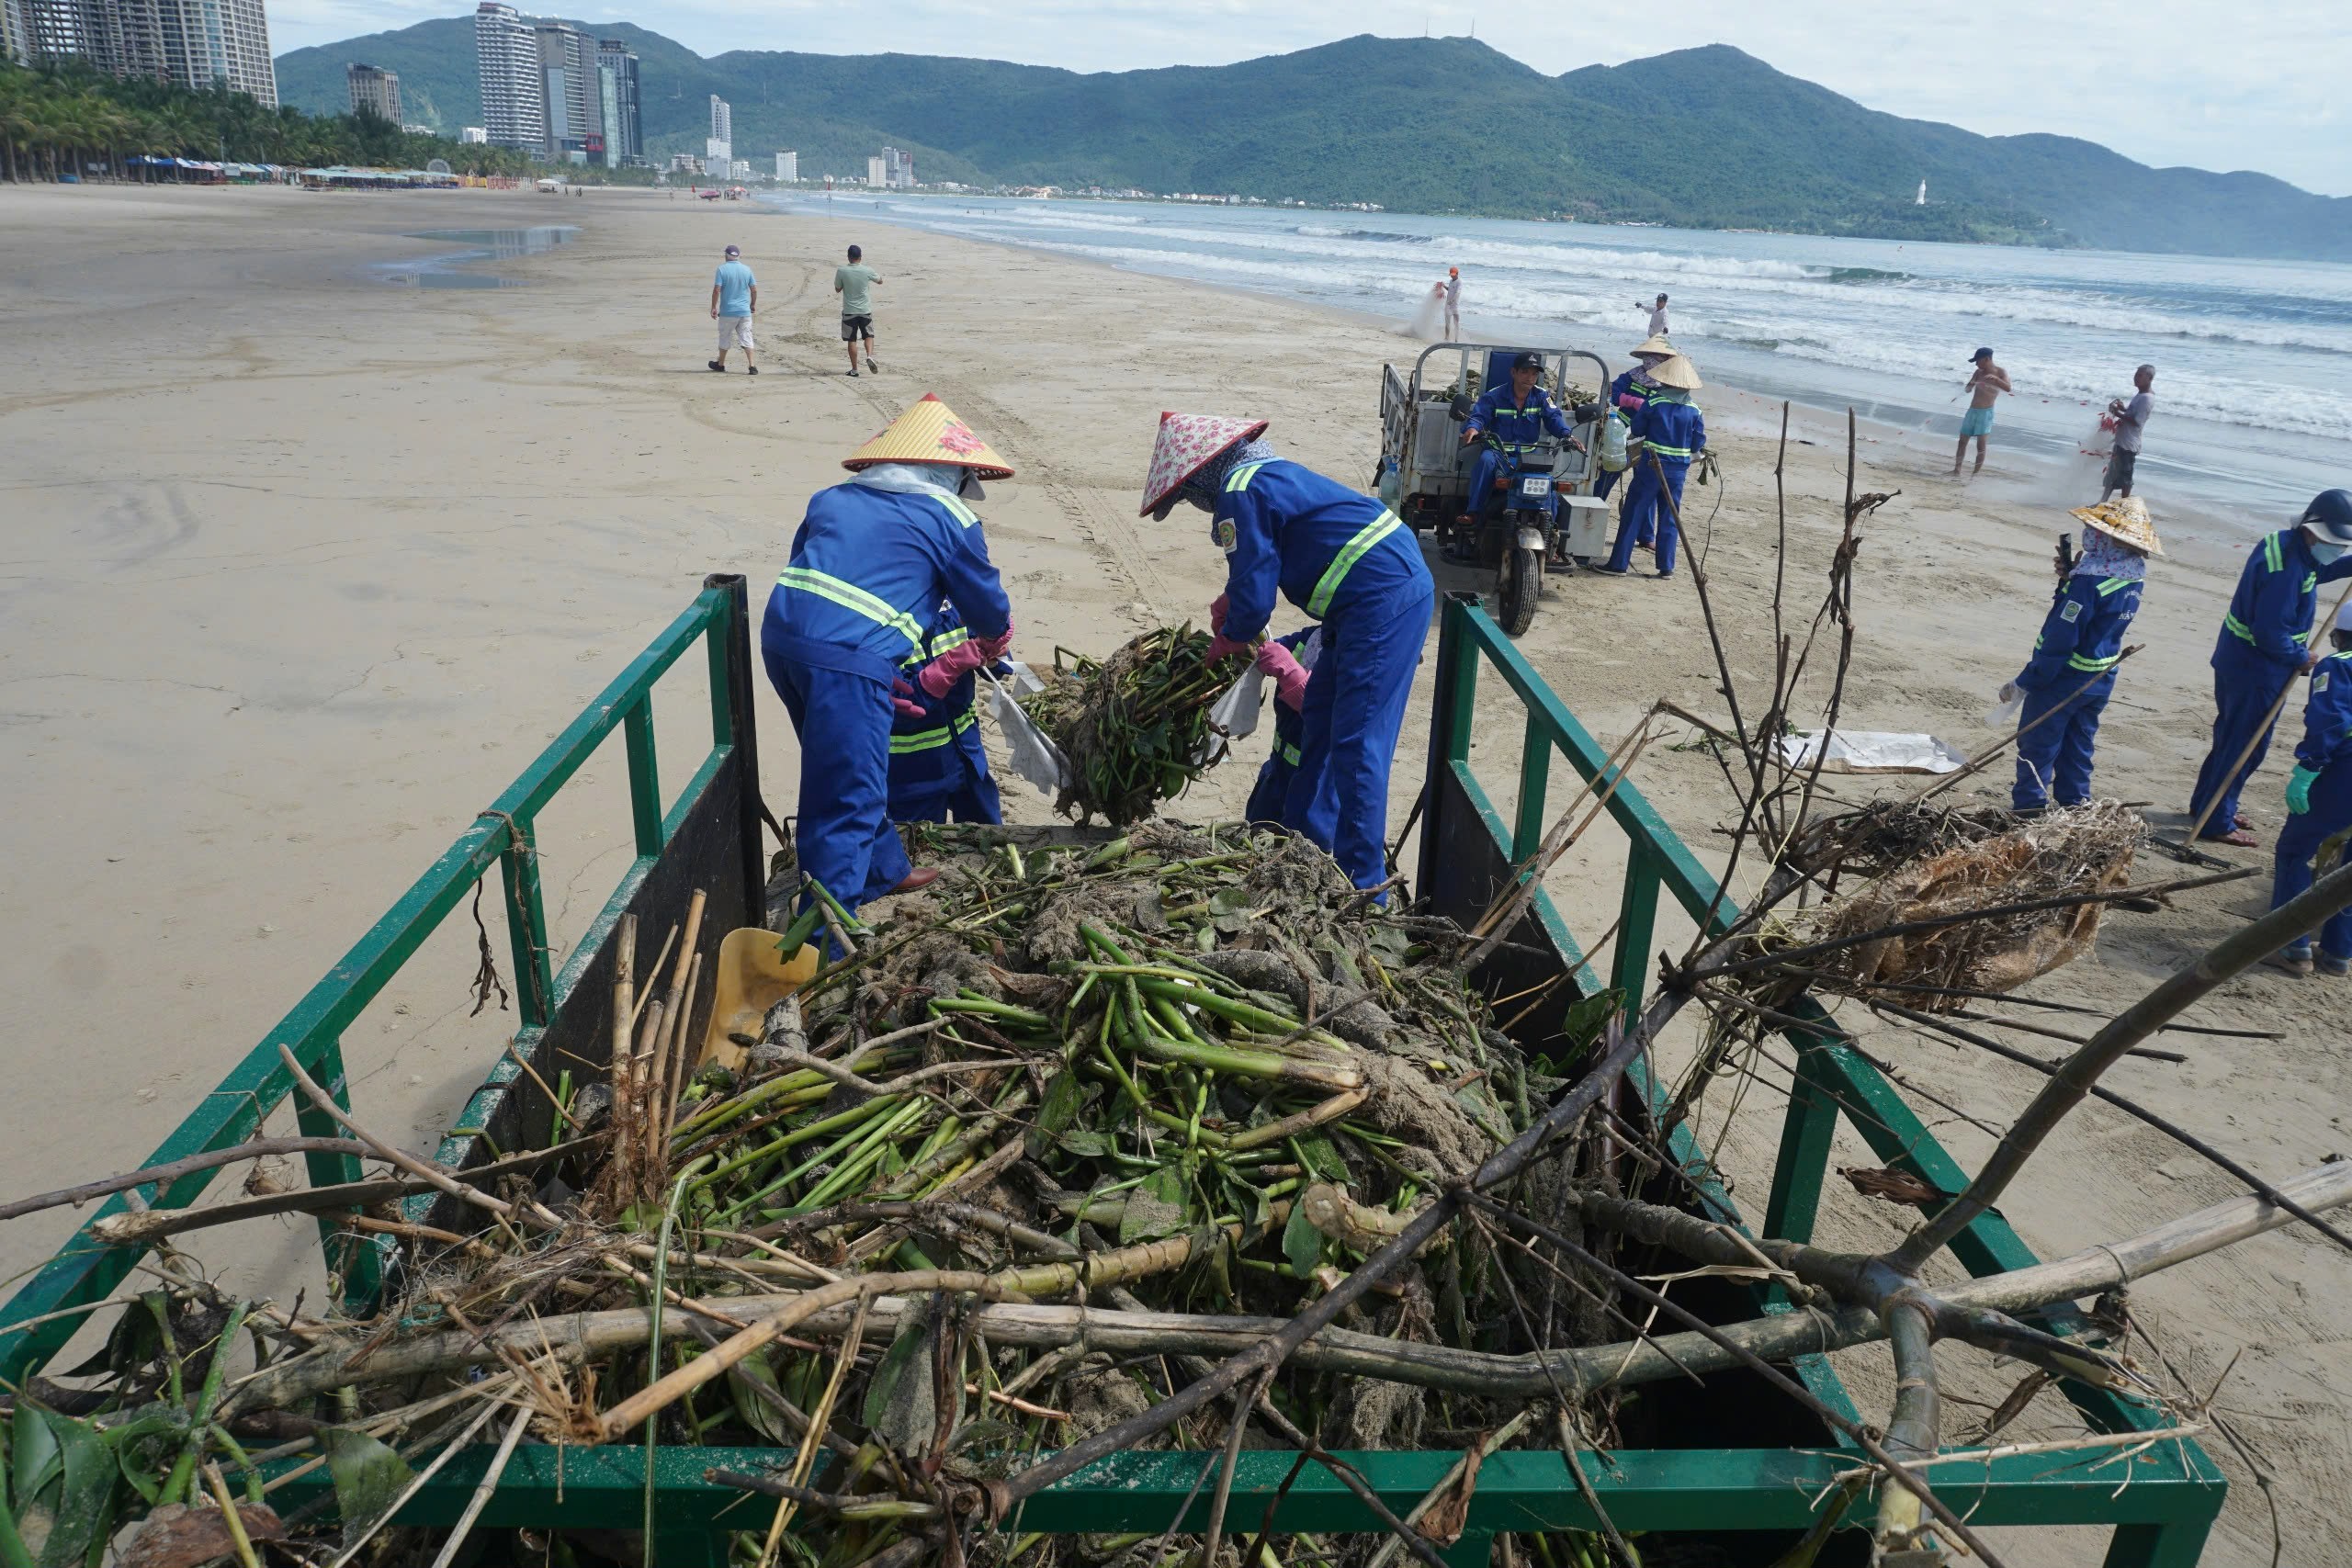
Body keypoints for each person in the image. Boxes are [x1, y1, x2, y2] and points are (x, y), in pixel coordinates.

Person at [1139, 412, 1435, 893]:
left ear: (1199, 476)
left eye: (1188, 496)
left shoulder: (1240, 488)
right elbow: (1265, 562)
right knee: (1319, 714)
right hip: (1370, 598)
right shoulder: (1261, 476)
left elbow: (1256, 600)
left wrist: (1230, 635)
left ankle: (1365, 886)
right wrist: (1233, 599)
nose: (1195, 506)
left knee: (1358, 743)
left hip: (1381, 600)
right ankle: (1306, 852)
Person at [762, 394, 1014, 918]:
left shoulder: (831, 497)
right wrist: (994, 638)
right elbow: (985, 603)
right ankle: (825, 939)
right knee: (845, 798)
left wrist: (876, 669)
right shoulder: (949, 513)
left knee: (852, 768)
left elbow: (815, 574)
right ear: (952, 475)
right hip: (846, 660)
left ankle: (883, 870)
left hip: (785, 642)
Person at [2186, 490, 2352, 846]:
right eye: (2333, 542)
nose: (2336, 549)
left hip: (2236, 658)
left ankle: (2208, 805)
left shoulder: (2285, 544)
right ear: (2312, 528)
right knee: (2247, 745)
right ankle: (2216, 820)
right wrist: (2300, 657)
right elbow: (2270, 633)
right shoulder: (2286, 572)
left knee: (2229, 736)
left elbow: (2318, 570)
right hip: (2257, 667)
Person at [2002, 498, 2158, 814]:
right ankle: (2075, 801)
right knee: (2079, 742)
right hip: (2101, 676)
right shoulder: (2131, 574)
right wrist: (2068, 581)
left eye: (2093, 530)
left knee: (2038, 743)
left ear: (2110, 539)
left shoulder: (2089, 583)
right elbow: (2098, 615)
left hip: (2064, 678)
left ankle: (2030, 807)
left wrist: (2025, 682)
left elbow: (2060, 640)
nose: (2087, 534)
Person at [2267, 602, 2352, 976]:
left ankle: (2292, 946)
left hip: (2342, 775)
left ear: (2337, 635)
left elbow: (2330, 722)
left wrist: (2308, 768)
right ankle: (2338, 953)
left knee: (2295, 852)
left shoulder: (2338, 665)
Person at [887, 603, 1004, 825]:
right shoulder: (880, 627)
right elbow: (899, 706)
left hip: (969, 759)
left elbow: (992, 664)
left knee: (989, 833)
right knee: (920, 848)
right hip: (913, 774)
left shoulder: (954, 603)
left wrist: (995, 651)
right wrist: (947, 667)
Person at [1598, 354, 1705, 580]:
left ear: (1665, 381)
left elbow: (1637, 429)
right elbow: (1697, 442)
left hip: (1651, 465)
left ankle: (1618, 565)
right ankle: (1666, 567)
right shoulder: (1695, 410)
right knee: (1669, 515)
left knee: (1634, 512)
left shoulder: (1655, 403)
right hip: (1678, 471)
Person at [1455, 351, 1575, 546]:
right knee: (1485, 461)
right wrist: (1472, 429)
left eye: (1534, 374)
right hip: (1499, 455)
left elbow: (1554, 418)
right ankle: (1473, 513)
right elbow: (1479, 415)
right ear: (1514, 372)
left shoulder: (1542, 396)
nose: (1530, 378)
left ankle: (1550, 530)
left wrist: (1567, 435)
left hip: (1529, 457)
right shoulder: (1494, 396)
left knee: (1549, 485)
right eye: (1525, 372)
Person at [1245, 627, 1320, 825]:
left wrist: (1291, 675)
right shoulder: (1314, 637)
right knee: (1258, 828)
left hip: (1313, 787)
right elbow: (1269, 649)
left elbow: (1329, 714)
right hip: (1278, 770)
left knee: (1294, 844)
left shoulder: (1360, 654)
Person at [1594, 335, 1674, 507]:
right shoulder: (1632, 376)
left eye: (1662, 357)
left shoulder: (1669, 385)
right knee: (1609, 472)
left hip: (1651, 440)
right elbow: (1611, 393)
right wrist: (1631, 401)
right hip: (1622, 435)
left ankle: (1643, 529)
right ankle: (1596, 505)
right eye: (1655, 356)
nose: (1657, 360)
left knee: (1646, 484)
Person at [2099, 365, 2154, 502]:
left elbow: (2137, 422)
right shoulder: (2140, 395)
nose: (2136, 378)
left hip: (2129, 444)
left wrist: (2117, 413)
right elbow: (2132, 413)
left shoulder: (2147, 398)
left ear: (2149, 378)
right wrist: (2123, 409)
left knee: (2125, 477)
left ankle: (2124, 505)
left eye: (2140, 375)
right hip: (2122, 441)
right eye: (2136, 374)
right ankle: (2103, 502)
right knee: (2112, 474)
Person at [1954, 346, 2010, 476]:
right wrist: (1972, 383)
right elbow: (1968, 389)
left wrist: (1996, 380)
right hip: (1972, 410)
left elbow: (2008, 388)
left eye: (1978, 361)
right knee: (1962, 442)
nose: (1976, 364)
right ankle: (1957, 470)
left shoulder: (2000, 372)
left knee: (1981, 446)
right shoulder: (1978, 372)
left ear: (1986, 359)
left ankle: (1974, 475)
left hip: (1986, 413)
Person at [707, 243, 756, 375]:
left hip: (728, 311)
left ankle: (721, 364)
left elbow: (717, 290)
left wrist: (713, 307)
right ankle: (752, 366)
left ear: (726, 256)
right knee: (746, 336)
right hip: (744, 311)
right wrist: (752, 304)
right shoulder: (747, 269)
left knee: (725, 337)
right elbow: (753, 289)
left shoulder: (722, 269)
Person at [835, 243, 883, 377]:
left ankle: (855, 370)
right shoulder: (867, 270)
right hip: (865, 310)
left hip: (849, 311)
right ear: (860, 257)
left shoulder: (842, 271)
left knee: (852, 340)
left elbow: (837, 289)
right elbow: (880, 281)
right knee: (868, 335)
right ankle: (869, 356)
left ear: (849, 257)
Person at [1443, 267, 1461, 338]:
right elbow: (1450, 290)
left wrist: (1452, 301)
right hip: (1448, 305)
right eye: (1451, 274)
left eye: (1453, 274)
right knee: (1447, 323)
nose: (1452, 276)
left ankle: (1456, 339)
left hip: (1455, 306)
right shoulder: (1451, 281)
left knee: (1456, 323)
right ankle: (1446, 337)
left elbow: (1457, 293)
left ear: (1457, 274)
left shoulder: (1459, 282)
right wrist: (1444, 286)